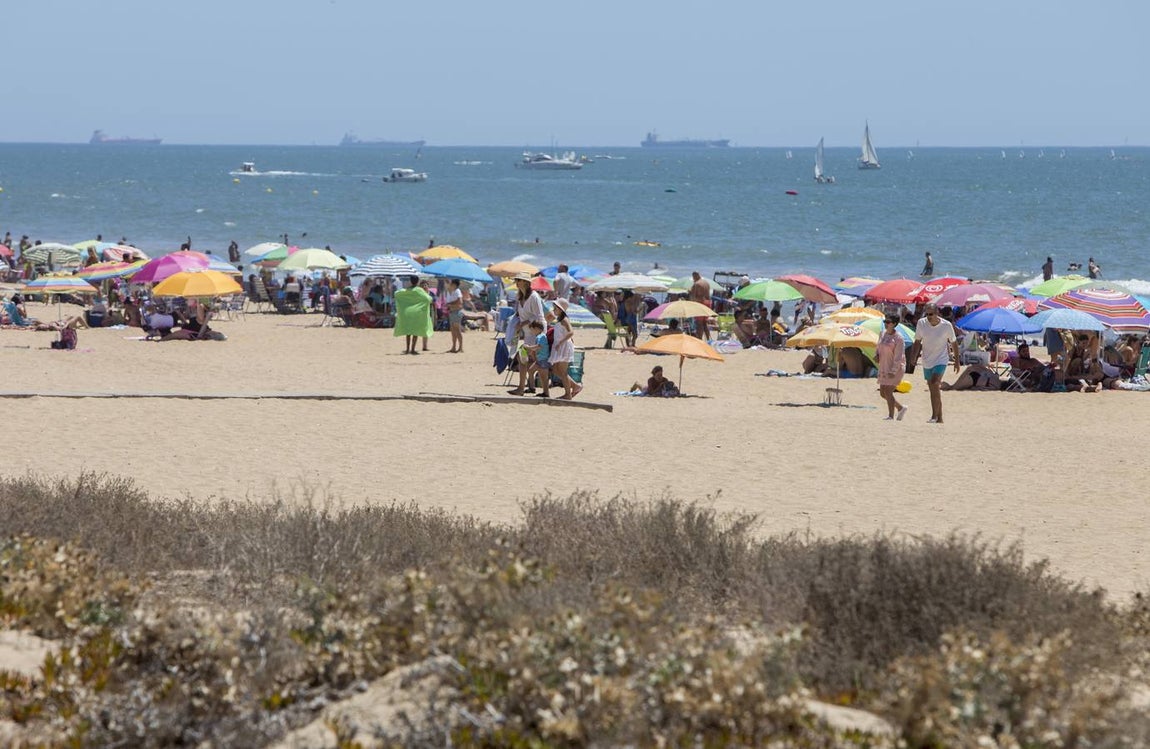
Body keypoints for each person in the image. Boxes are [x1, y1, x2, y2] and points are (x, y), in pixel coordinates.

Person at [910, 303, 960, 424]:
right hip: (927, 360)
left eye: (931, 314)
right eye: (926, 314)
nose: (928, 316)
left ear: (937, 313)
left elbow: (954, 343)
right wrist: (913, 356)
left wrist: (957, 361)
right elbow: (917, 341)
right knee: (933, 388)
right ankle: (940, 417)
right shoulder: (921, 323)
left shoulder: (946, 326)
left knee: (934, 383)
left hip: (941, 359)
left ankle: (934, 416)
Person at [876, 315, 908, 420]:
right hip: (884, 365)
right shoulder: (882, 334)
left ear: (894, 324)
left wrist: (893, 371)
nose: (886, 324)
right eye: (885, 322)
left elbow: (899, 357)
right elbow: (878, 346)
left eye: (888, 322)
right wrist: (877, 355)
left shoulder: (898, 338)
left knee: (888, 391)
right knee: (882, 393)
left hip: (896, 367)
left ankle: (891, 415)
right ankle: (900, 407)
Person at [548, 298, 581, 400]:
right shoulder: (559, 320)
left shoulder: (565, 320)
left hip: (563, 346)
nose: (554, 310)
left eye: (556, 308)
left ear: (561, 309)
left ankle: (568, 394)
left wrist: (561, 342)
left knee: (562, 371)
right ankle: (575, 386)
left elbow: (571, 332)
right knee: (555, 369)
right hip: (559, 345)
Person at [393, 275, 433, 354]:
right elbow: (428, 299)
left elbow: (396, 294)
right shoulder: (419, 290)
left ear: (410, 281)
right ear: (418, 282)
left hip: (407, 313)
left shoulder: (407, 290)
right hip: (417, 313)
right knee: (415, 332)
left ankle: (407, 349)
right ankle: (412, 349)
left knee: (408, 332)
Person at [688, 271, 712, 340]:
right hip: (708, 303)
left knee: (699, 323)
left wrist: (690, 292)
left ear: (694, 276)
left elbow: (693, 296)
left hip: (701, 303)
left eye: (693, 278)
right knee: (704, 323)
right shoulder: (706, 283)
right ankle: (708, 339)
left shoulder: (696, 284)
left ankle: (700, 339)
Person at [444, 278, 464, 353]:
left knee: (457, 330)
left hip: (456, 312)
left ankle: (460, 347)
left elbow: (460, 301)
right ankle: (454, 346)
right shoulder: (450, 291)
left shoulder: (457, 291)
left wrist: (450, 304)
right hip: (452, 312)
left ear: (455, 285)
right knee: (453, 331)